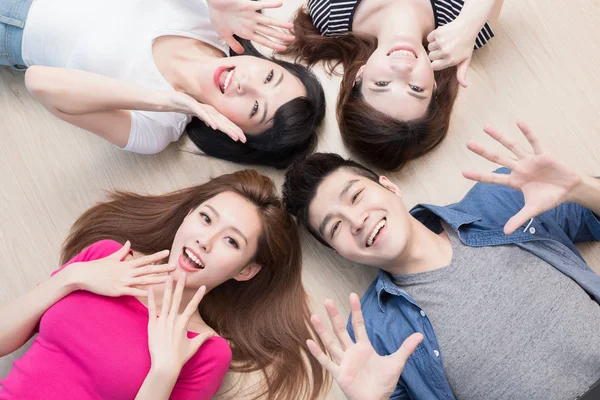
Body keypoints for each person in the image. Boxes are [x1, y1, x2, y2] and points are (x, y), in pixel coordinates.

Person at [283, 122, 600, 399]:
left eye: (355, 196)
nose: (356, 220)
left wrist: (580, 188)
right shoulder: (371, 332)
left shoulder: (501, 197)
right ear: (340, 252)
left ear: (389, 186)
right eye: (336, 227)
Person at [0, 170, 327, 399]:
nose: (205, 240)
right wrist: (71, 279)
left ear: (245, 271)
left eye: (231, 240)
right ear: (187, 216)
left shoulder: (205, 350)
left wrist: (164, 371)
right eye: (206, 218)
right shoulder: (107, 256)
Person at [0, 0, 325, 169]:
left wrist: (167, 100)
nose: (247, 83)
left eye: (255, 109)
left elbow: (40, 82)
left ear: (235, 132)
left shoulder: (157, 126)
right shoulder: (216, 20)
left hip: (11, 34)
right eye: (268, 76)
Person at [282, 0, 503, 170]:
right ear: (434, 85)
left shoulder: (330, 13)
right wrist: (470, 22)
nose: (402, 68)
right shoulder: (465, 32)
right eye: (416, 89)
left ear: (359, 74)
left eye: (381, 83)